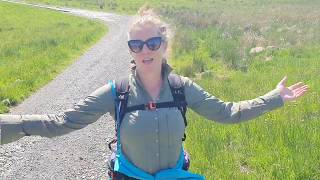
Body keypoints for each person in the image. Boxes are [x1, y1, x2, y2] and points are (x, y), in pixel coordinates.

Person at [0, 8, 309, 180]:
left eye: (152, 43)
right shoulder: (116, 92)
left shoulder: (182, 88)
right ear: (130, 51)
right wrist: (7, 125)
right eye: (136, 45)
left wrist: (274, 97)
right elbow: (61, 121)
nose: (144, 50)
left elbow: (229, 112)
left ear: (164, 44)